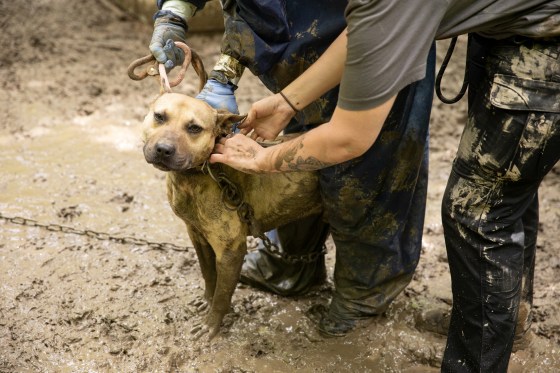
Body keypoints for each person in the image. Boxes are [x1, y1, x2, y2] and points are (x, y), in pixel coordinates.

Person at [208, 1, 560, 372]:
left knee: (476, 213)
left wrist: (264, 160)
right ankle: (509, 324)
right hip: (507, 29)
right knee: (507, 183)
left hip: (545, 47)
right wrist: (287, 102)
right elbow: (365, 34)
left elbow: (349, 138)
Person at [149, 0, 435, 337]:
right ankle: (293, 265)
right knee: (295, 169)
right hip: (295, 56)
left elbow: (349, 137)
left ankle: (365, 295)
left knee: (367, 172)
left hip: (384, 48)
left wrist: (268, 159)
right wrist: (176, 13)